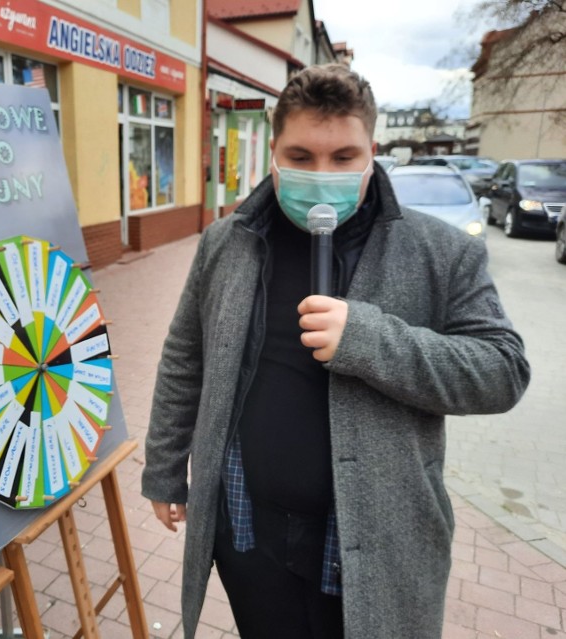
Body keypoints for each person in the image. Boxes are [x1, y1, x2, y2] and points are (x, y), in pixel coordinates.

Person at [141, 64, 530, 639]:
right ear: (272, 154)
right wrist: (165, 469)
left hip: (373, 539)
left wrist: (370, 340)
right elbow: (184, 358)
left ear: (371, 152)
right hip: (247, 527)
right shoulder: (227, 241)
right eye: (300, 156)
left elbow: (503, 370)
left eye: (343, 158)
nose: (321, 174)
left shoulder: (441, 253)